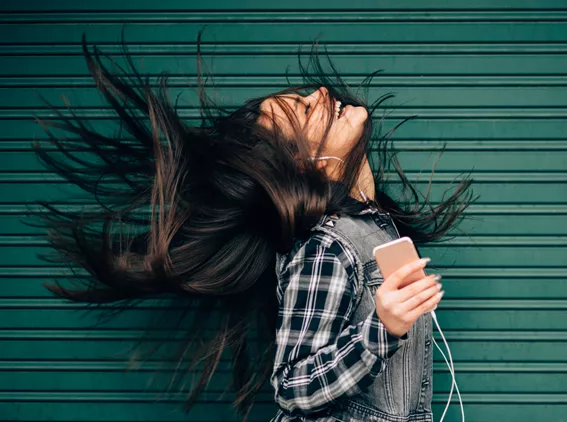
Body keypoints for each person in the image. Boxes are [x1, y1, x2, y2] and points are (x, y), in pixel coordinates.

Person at [29, 30, 475, 422]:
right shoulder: (326, 247)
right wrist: (382, 329)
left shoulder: (376, 231)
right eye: (303, 109)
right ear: (302, 164)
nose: (320, 92)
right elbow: (292, 384)